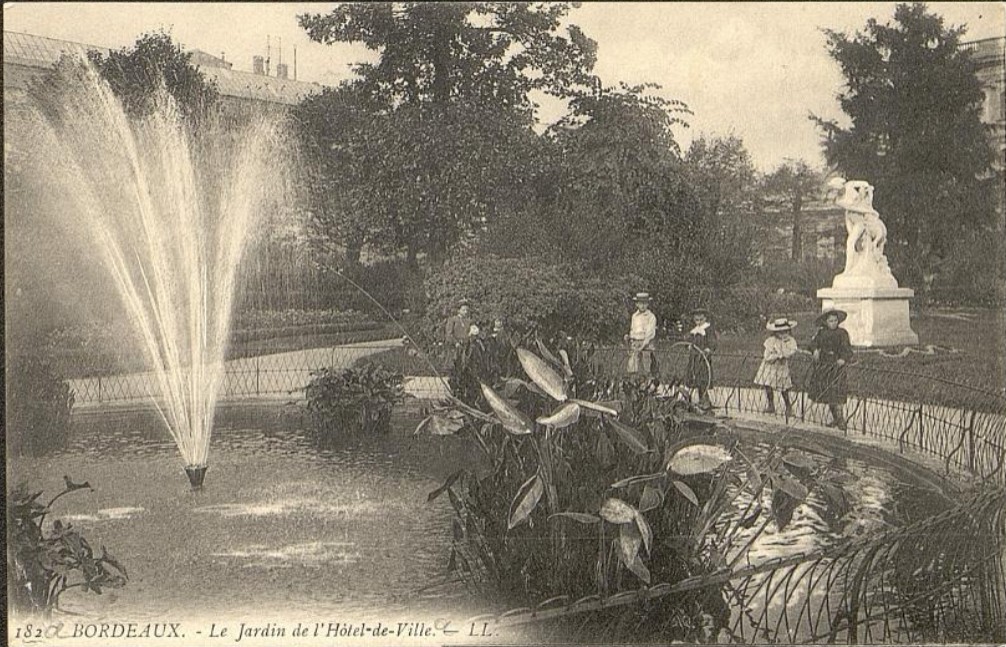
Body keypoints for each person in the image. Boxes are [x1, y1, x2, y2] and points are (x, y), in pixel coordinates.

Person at [807, 309, 854, 430]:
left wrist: (843, 359)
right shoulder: (821, 333)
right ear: (825, 322)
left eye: (835, 320)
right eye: (830, 321)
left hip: (837, 366)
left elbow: (847, 349)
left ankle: (841, 419)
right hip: (824, 366)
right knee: (827, 392)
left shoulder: (842, 333)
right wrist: (815, 350)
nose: (833, 323)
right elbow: (812, 344)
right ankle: (836, 418)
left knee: (836, 392)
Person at [754, 318, 799, 416]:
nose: (783, 335)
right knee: (768, 385)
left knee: (784, 387)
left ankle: (788, 407)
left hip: (781, 367)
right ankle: (771, 405)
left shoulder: (790, 341)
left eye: (786, 332)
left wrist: (784, 354)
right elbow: (767, 356)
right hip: (770, 366)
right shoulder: (771, 341)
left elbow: (791, 351)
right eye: (780, 332)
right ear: (775, 333)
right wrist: (777, 355)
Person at [685, 308, 717, 411]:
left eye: (701, 320)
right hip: (694, 358)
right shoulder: (694, 330)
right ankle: (699, 400)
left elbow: (713, 341)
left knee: (703, 378)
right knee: (695, 377)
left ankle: (705, 400)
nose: (698, 322)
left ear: (705, 318)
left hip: (703, 358)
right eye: (696, 320)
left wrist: (709, 348)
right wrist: (689, 346)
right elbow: (688, 340)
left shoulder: (708, 329)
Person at [624, 292, 658, 377]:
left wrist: (643, 345)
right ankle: (633, 381)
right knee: (633, 363)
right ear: (637, 304)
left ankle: (646, 381)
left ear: (647, 304)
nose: (642, 305)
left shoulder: (651, 317)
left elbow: (650, 333)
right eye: (640, 303)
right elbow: (633, 329)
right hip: (635, 342)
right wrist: (630, 337)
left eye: (645, 303)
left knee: (646, 363)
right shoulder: (634, 316)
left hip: (646, 343)